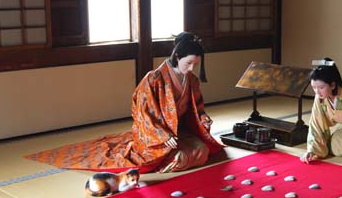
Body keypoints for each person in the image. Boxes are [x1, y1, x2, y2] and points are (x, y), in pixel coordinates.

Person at [25, 32, 223, 173]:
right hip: (155, 136)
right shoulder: (153, 79)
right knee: (180, 158)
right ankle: (168, 158)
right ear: (177, 56)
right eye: (188, 63)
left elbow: (196, 108)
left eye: (195, 65)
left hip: (178, 132)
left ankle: (176, 154)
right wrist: (162, 135)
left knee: (202, 151)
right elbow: (143, 114)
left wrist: (204, 119)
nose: (190, 69)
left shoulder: (192, 81)